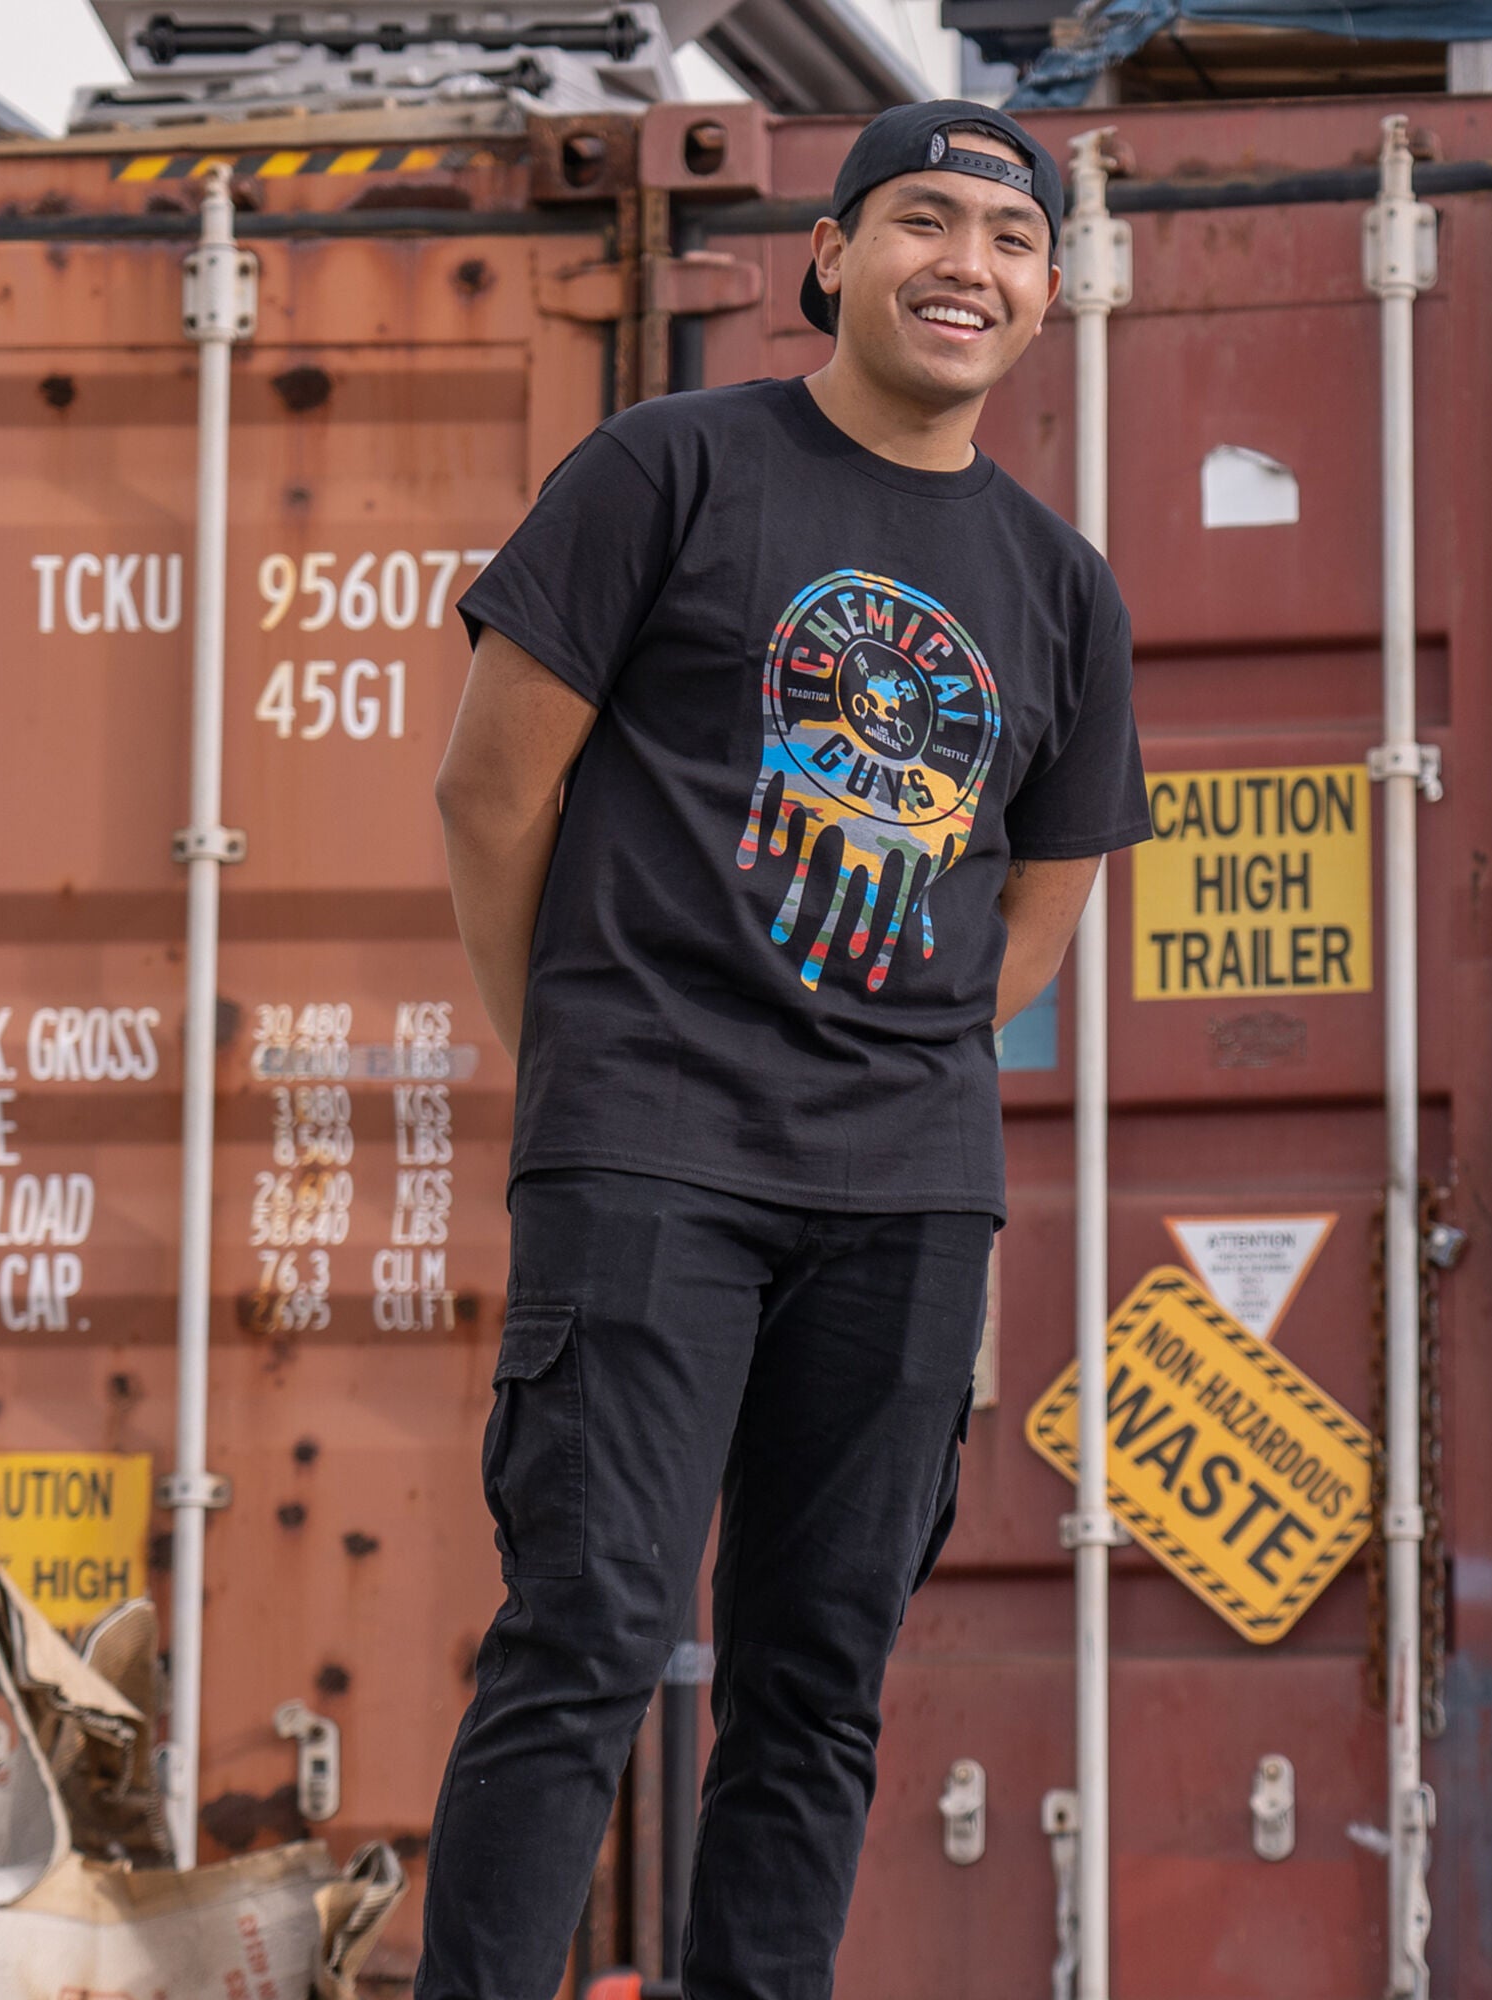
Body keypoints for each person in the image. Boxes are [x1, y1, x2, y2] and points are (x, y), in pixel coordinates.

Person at [417, 99, 1150, 2000]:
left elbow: (1040, 905)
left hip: (907, 1190)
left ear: (1051, 291)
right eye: (923, 221)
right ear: (830, 258)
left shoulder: (1063, 584)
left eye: (1010, 238)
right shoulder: (668, 468)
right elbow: (491, 792)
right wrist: (588, 1053)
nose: (966, 264)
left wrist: (886, 1056)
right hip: (651, 1146)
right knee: (586, 1635)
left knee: (818, 1680)